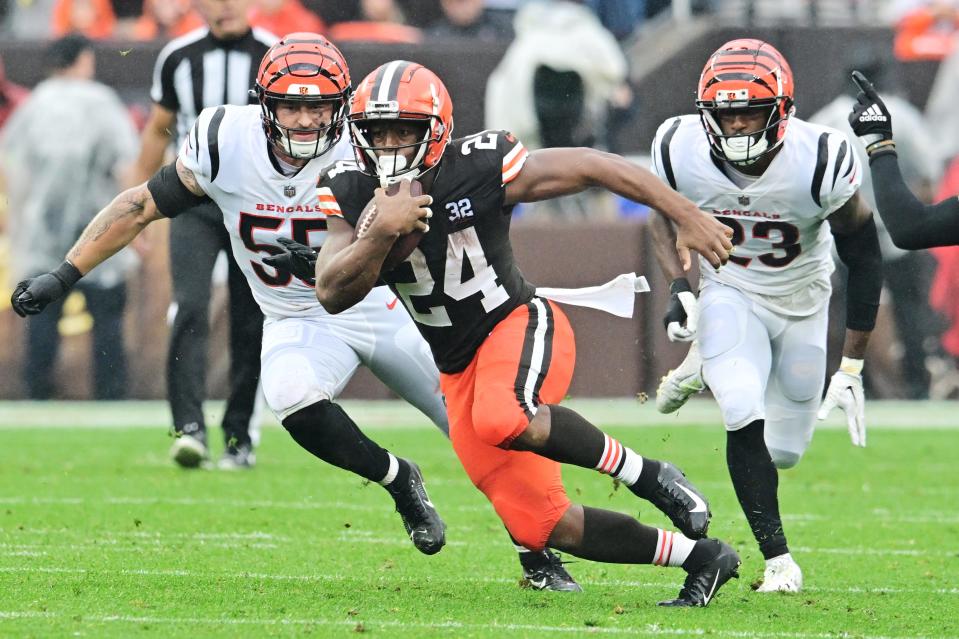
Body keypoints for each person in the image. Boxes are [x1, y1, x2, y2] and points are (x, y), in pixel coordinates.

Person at [9, 33, 583, 591]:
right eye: (290, 106)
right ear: (264, 105)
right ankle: (398, 479)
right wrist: (66, 273)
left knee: (480, 429)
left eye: (319, 108)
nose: (306, 121)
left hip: (385, 307)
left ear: (343, 109)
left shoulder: (370, 142)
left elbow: (424, 225)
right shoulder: (222, 140)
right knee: (291, 398)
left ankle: (539, 552)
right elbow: (138, 206)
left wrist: (333, 258)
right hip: (296, 317)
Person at [311, 59, 742, 607]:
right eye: (378, 131)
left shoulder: (476, 166)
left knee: (505, 415)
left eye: (405, 130)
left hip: (518, 323)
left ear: (437, 130)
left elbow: (592, 164)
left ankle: (651, 475)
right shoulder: (349, 190)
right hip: (456, 368)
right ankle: (702, 558)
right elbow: (331, 291)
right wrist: (380, 235)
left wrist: (683, 213)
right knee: (543, 525)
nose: (390, 144)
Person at [649, 40, 883, 593]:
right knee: (740, 406)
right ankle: (778, 561)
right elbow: (661, 213)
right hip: (731, 286)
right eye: (725, 115)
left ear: (782, 111)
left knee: (785, 452)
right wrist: (680, 288)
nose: (736, 129)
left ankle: (701, 357)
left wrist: (851, 366)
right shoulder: (677, 145)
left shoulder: (820, 158)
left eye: (750, 112)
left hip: (804, 298)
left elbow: (864, 251)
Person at [126, 0, 276, 469]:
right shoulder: (178, 56)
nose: (224, 5)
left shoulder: (277, 55)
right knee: (189, 305)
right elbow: (158, 129)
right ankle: (188, 426)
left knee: (249, 317)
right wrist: (136, 206)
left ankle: (239, 436)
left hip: (256, 202)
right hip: (194, 199)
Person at [3, 34, 139, 400]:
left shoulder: (33, 106)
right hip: (99, 230)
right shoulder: (101, 103)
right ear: (83, 60)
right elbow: (127, 167)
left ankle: (37, 396)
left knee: (42, 315)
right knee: (107, 318)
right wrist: (138, 226)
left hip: (41, 234)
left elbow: (13, 169)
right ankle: (111, 398)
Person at [810, 63, 942, 399]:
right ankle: (916, 387)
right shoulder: (900, 114)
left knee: (849, 311)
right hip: (894, 229)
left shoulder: (824, 120)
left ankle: (856, 384)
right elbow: (928, 174)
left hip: (845, 230)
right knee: (909, 311)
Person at [848, 70, 959, 249]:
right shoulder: (902, 114)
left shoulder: (827, 116)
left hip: (860, 241)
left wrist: (879, 144)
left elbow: (911, 228)